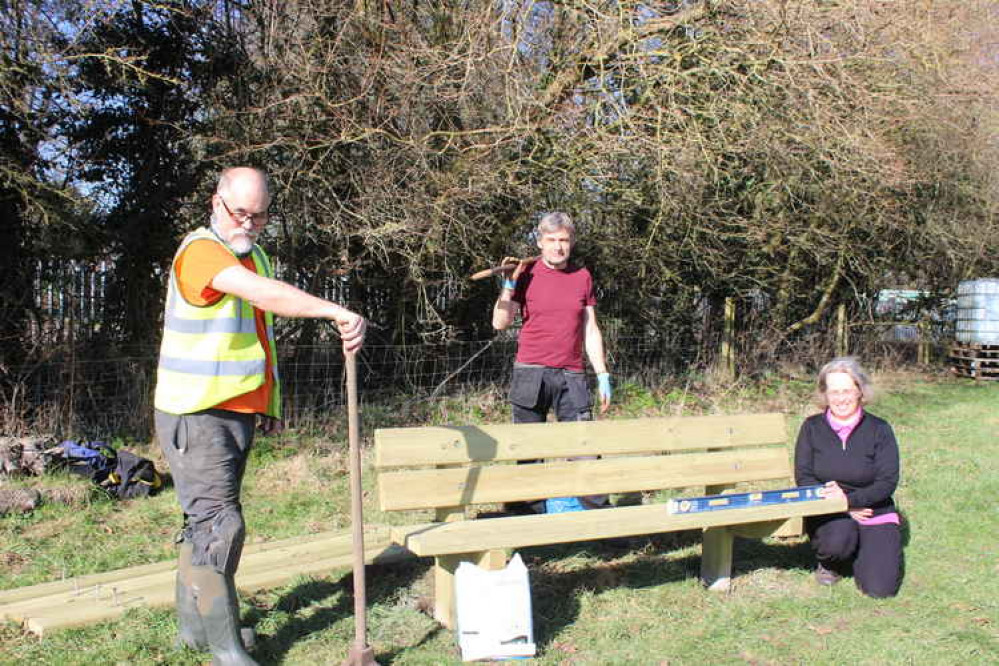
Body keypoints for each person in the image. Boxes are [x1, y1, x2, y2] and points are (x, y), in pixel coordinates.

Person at [153, 167, 365, 664]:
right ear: (216, 202)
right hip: (195, 411)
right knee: (220, 526)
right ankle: (227, 650)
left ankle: (196, 631)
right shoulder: (202, 252)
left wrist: (266, 403)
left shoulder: (255, 254)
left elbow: (258, 337)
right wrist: (334, 310)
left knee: (202, 522)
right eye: (239, 212)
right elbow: (263, 296)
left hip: (233, 410)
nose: (248, 223)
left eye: (259, 215)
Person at [492, 212, 611, 513]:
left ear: (571, 242)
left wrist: (602, 374)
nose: (558, 247)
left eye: (564, 240)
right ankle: (527, 522)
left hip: (571, 374)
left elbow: (589, 328)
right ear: (540, 241)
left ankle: (601, 522)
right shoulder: (525, 274)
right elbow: (500, 323)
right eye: (552, 240)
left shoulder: (582, 277)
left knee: (585, 446)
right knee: (529, 452)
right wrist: (508, 284)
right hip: (530, 373)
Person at [794, 357, 903, 598]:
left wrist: (853, 500)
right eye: (834, 391)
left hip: (874, 509)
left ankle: (866, 552)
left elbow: (887, 481)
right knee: (838, 541)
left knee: (880, 589)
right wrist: (842, 506)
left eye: (846, 391)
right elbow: (804, 477)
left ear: (859, 391)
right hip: (828, 509)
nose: (840, 398)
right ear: (824, 394)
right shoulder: (811, 427)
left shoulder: (880, 429)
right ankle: (831, 561)